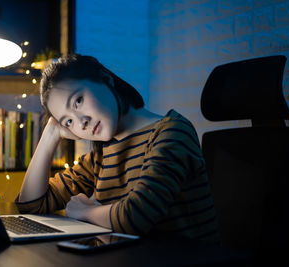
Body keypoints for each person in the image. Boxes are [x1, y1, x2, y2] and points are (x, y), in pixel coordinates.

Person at [16, 54, 219, 243]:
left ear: (105, 79)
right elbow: (31, 205)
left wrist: (85, 212)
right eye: (68, 121)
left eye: (78, 101)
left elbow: (137, 216)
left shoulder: (172, 132)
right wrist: (51, 133)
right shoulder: (102, 155)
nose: (81, 122)